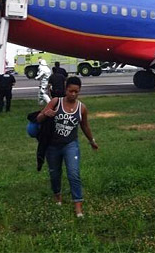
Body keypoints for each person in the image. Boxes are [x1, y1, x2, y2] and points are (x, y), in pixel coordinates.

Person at [36, 76, 98, 216]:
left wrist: (92, 141)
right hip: (53, 146)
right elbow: (39, 118)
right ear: (66, 89)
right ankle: (57, 195)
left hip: (70, 145)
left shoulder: (82, 108)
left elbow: (85, 126)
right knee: (55, 173)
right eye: (71, 91)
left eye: (76, 92)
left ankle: (78, 204)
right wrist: (46, 114)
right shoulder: (56, 102)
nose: (73, 94)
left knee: (73, 174)